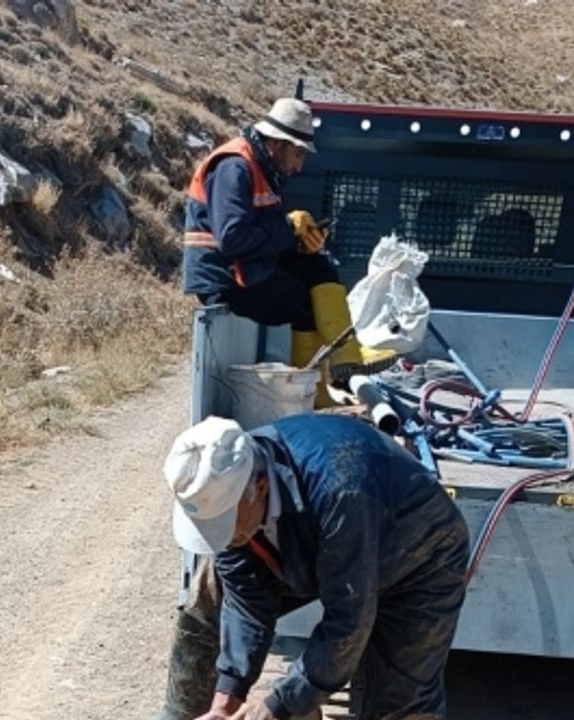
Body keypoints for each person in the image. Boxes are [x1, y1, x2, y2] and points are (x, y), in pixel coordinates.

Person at [156, 414, 469, 720]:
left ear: (260, 487)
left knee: (402, 703)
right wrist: (228, 697)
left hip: (420, 556)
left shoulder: (339, 490)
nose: (221, 536)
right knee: (213, 586)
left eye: (225, 523)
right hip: (320, 541)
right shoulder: (236, 490)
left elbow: (348, 621)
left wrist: (280, 703)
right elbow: (246, 602)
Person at [181, 98, 392, 404]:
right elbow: (232, 238)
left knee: (318, 268)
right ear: (276, 144)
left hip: (247, 267)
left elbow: (261, 233)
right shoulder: (234, 167)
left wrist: (301, 240)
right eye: (297, 154)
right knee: (303, 303)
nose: (300, 165)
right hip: (224, 279)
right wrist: (289, 229)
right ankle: (313, 393)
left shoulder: (262, 167)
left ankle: (347, 357)